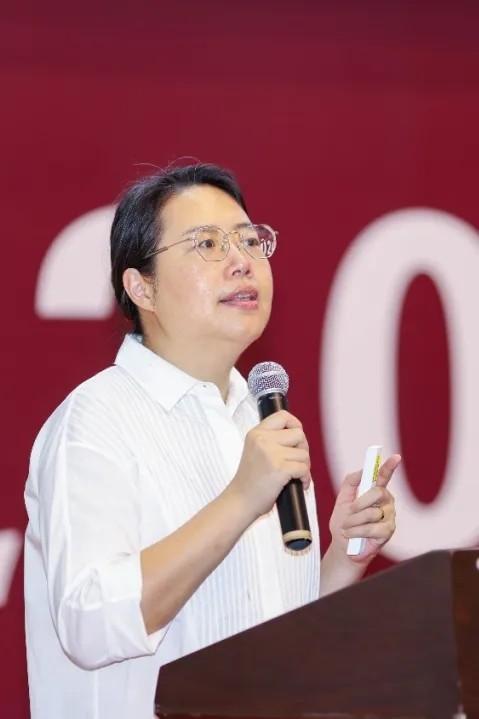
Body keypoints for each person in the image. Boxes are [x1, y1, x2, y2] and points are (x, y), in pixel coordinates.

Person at [24, 163, 400, 719]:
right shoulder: (95, 421)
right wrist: (240, 499)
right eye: (207, 244)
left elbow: (277, 645)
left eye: (249, 241)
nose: (242, 260)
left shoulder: (259, 422)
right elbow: (90, 622)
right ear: (142, 287)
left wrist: (343, 557)